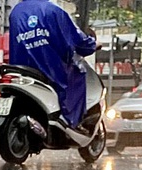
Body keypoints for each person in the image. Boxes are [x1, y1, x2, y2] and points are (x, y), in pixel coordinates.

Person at [9, 0, 97, 129]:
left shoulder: (16, 12)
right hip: (50, 67)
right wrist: (92, 44)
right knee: (78, 76)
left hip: (21, 67)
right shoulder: (54, 10)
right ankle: (72, 121)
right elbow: (77, 40)